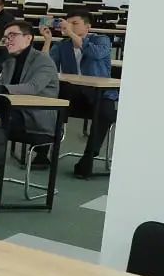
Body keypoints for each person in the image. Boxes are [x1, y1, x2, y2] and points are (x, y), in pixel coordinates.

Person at [41, 9, 117, 178]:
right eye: (68, 23)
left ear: (87, 27)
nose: (69, 26)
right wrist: (47, 41)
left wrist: (72, 35)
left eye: (75, 23)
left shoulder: (101, 40)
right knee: (51, 102)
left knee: (104, 114)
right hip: (75, 94)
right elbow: (46, 65)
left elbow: (96, 54)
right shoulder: (63, 45)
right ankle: (42, 151)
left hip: (100, 93)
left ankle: (88, 157)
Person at [0, 21, 60, 167]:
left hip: (36, 117)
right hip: (14, 111)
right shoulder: (9, 62)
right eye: (5, 37)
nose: (8, 40)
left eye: (12, 35)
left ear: (28, 38)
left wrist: (0, 89)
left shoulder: (43, 60)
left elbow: (32, 88)